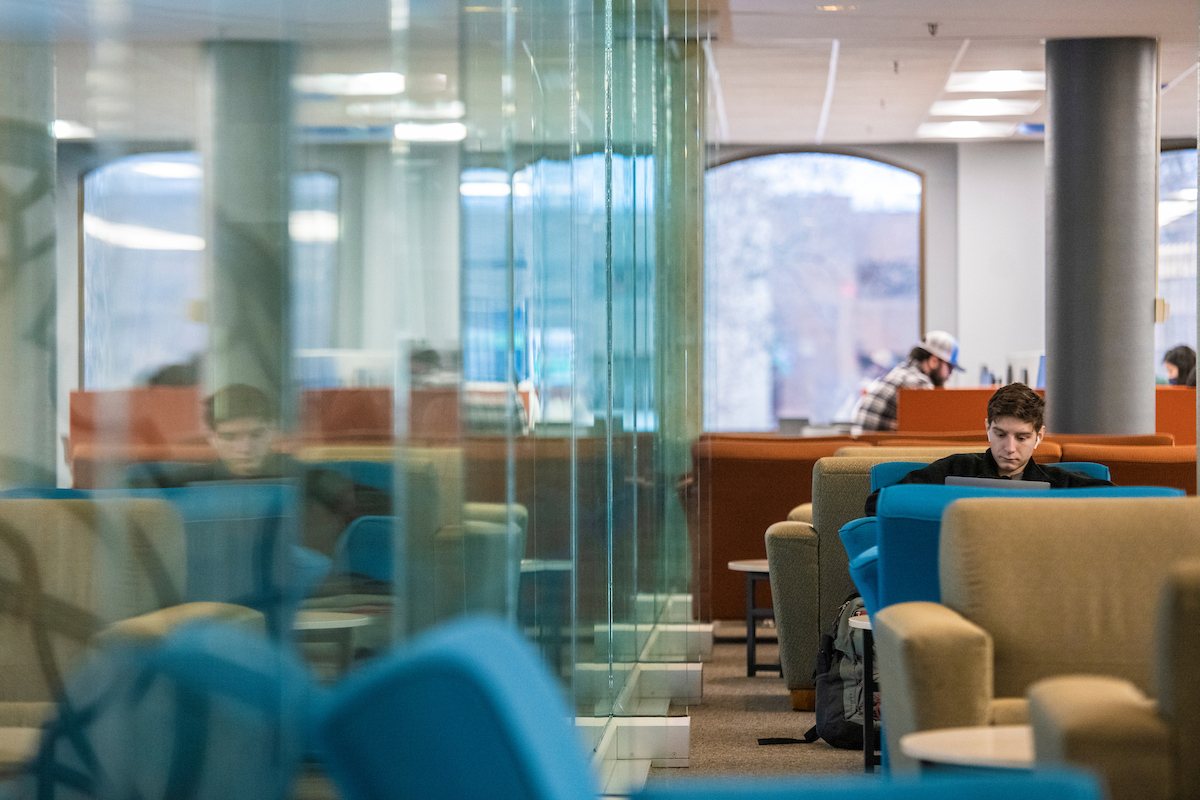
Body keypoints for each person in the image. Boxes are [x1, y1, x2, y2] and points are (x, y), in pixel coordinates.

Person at [864, 382, 1113, 515]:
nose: (1009, 448)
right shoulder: (955, 470)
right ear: (987, 428)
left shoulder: (1062, 484)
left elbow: (1125, 505)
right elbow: (877, 503)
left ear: (1039, 437)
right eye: (1000, 434)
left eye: (1022, 437)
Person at [851, 330, 963, 432]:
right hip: (879, 451)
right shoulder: (917, 383)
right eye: (950, 367)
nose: (950, 374)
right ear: (934, 361)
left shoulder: (901, 372)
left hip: (866, 449)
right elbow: (934, 431)